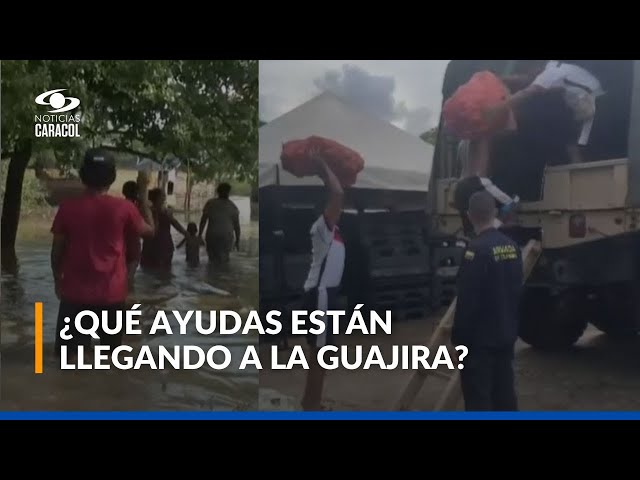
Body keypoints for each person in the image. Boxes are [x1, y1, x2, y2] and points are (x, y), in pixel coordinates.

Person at [51, 148, 155, 358]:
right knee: (110, 360)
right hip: (112, 297)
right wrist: (143, 200)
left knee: (68, 360)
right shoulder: (125, 208)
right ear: (112, 176)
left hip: (74, 296)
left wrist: (57, 280)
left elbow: (56, 252)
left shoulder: (67, 208)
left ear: (83, 175)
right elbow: (150, 233)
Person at [451, 191, 524, 411]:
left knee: (478, 398)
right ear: (494, 213)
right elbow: (516, 291)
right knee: (505, 395)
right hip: (505, 336)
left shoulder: (475, 251)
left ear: (469, 216)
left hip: (479, 344)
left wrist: (458, 342)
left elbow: (467, 304)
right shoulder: (512, 247)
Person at [487, 60, 604, 164]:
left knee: (580, 145)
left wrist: (497, 108)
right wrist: (501, 79)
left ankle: (580, 175)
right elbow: (528, 79)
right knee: (571, 142)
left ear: (536, 66)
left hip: (593, 105)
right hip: (585, 103)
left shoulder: (551, 73)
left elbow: (526, 93)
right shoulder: (555, 66)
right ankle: (575, 166)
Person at [300, 150, 345, 411]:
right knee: (319, 354)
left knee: (323, 353)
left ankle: (312, 401)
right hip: (320, 296)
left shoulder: (334, 230)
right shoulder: (322, 227)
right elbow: (338, 193)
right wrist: (323, 165)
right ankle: (311, 405)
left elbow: (340, 193)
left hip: (327, 295)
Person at [452, 139, 519, 238]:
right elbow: (508, 202)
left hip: (460, 186)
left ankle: (472, 236)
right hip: (477, 180)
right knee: (512, 203)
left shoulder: (462, 142)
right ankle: (488, 231)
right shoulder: (482, 140)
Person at [139, 188, 188, 272]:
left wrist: (186, 234)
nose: (164, 197)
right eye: (162, 195)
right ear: (157, 198)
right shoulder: (154, 212)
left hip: (160, 246)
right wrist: (186, 234)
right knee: (162, 272)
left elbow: (175, 223)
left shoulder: (159, 211)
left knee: (151, 271)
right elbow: (175, 223)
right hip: (160, 246)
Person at [199, 182, 241, 265]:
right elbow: (237, 226)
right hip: (226, 236)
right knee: (224, 261)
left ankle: (213, 277)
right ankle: (221, 277)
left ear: (218, 192)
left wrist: (199, 235)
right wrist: (237, 240)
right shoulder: (232, 206)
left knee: (212, 261)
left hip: (212, 235)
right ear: (229, 192)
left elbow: (203, 220)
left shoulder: (210, 203)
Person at [122, 181, 142, 286]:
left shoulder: (120, 206)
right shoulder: (137, 208)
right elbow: (147, 230)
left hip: (121, 245)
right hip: (133, 245)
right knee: (130, 277)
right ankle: (129, 298)